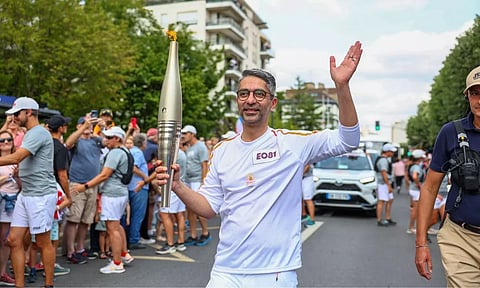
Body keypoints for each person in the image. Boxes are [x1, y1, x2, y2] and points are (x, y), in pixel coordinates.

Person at [156, 41, 362, 286]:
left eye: (259, 94)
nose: (250, 100)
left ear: (272, 103)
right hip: (225, 271)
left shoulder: (292, 145)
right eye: (244, 94)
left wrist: (341, 86)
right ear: (238, 100)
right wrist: (177, 185)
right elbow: (209, 206)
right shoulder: (222, 150)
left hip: (273, 273)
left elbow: (348, 140)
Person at [415, 65, 480, 285]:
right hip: (461, 239)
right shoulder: (451, 133)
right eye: (474, 93)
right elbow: (430, 187)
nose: (479, 100)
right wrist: (421, 243)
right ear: (467, 96)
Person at [2, 97, 57, 288]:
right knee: (13, 240)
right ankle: (19, 285)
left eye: (17, 114)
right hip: (27, 194)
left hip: (40, 195)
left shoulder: (38, 132)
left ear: (29, 112)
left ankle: (48, 285)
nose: (14, 118)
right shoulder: (31, 133)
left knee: (43, 242)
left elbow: (17, 156)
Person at [71, 126, 134, 274]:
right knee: (117, 226)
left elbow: (104, 175)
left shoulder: (115, 153)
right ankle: (123, 255)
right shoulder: (124, 151)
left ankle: (117, 263)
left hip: (112, 194)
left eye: (108, 137)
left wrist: (85, 186)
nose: (105, 139)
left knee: (112, 229)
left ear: (117, 139)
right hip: (120, 193)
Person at [64, 115, 103, 264]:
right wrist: (83, 127)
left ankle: (80, 248)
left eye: (90, 125)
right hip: (77, 184)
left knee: (86, 220)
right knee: (74, 219)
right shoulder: (77, 140)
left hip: (92, 185)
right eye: (84, 124)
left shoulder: (96, 140)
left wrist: (103, 128)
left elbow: (109, 142)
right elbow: (68, 143)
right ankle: (70, 251)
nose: (88, 127)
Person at [181, 125, 211, 247]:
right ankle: (193, 234)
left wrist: (204, 181)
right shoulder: (188, 148)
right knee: (190, 209)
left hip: (197, 180)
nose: (183, 135)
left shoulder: (200, 147)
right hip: (188, 180)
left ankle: (205, 232)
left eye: (186, 133)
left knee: (199, 208)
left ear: (192, 134)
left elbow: (204, 164)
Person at [0, 130, 20, 286]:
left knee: (5, 240)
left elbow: (21, 187)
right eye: (2, 140)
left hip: (11, 203)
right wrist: (8, 177)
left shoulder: (16, 161)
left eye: (9, 140)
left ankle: (2, 272)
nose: (6, 143)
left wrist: (18, 176)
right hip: (0, 199)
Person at [375, 143, 397, 226]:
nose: (393, 153)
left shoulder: (384, 159)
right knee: (381, 201)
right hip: (383, 184)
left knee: (389, 200)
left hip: (385, 183)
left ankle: (388, 218)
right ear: (387, 151)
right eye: (391, 151)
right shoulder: (383, 160)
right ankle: (379, 219)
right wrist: (388, 185)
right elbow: (384, 173)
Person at [406, 149, 426, 234]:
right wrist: (419, 185)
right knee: (415, 209)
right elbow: (415, 177)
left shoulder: (413, 165)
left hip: (413, 189)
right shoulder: (416, 167)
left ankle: (413, 227)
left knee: (415, 209)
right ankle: (411, 227)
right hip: (416, 189)